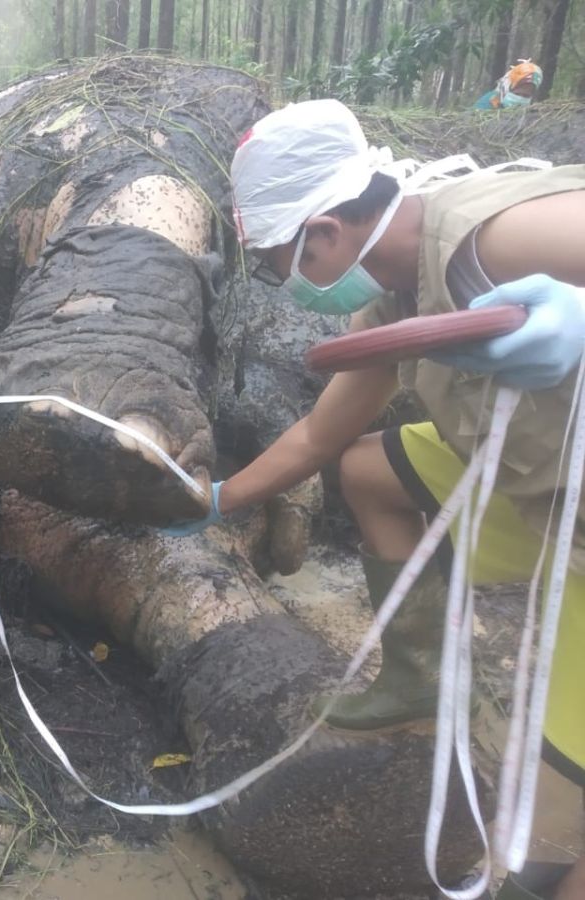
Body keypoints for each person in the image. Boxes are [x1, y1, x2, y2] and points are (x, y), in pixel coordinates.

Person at [169, 99, 585, 899]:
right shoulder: (399, 296)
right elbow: (316, 443)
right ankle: (417, 677)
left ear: (322, 233)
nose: (282, 283)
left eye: (275, 262)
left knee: (551, 830)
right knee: (367, 469)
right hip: (538, 485)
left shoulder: (486, 240)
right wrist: (214, 500)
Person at [475, 59, 543, 110]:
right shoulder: (487, 102)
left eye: (526, 95)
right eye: (517, 94)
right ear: (506, 87)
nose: (520, 98)